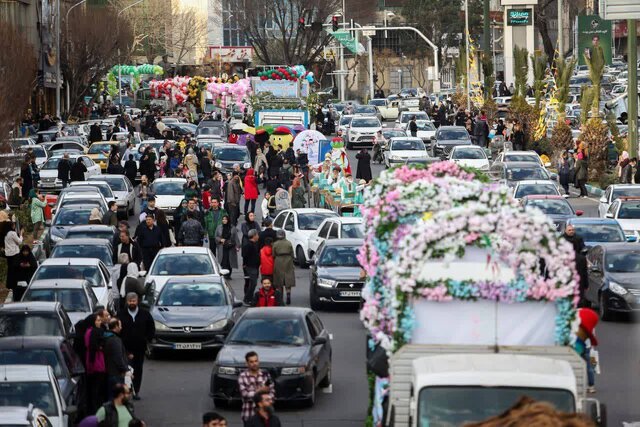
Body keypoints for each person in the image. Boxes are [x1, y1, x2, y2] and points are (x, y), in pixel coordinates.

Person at [117, 293, 155, 400]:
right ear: (127, 302)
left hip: (140, 349)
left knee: (138, 370)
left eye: (134, 301)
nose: (132, 303)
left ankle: (135, 391)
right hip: (125, 349)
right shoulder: (121, 314)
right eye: (130, 301)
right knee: (127, 370)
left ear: (137, 301)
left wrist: (147, 339)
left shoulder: (145, 314)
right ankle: (126, 391)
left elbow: (151, 328)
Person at [238, 352, 275, 425]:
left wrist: (267, 399)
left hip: (265, 414)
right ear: (247, 363)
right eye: (251, 362)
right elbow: (245, 395)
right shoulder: (242, 376)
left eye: (256, 361)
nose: (254, 363)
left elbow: (272, 392)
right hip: (249, 414)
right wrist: (260, 391)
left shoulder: (266, 375)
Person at [85, 313, 107, 415]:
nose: (99, 322)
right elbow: (93, 345)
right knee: (96, 388)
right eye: (97, 320)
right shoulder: (93, 332)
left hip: (94, 361)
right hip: (96, 362)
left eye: (99, 320)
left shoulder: (90, 331)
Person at [574, 308, 599, 393]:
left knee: (575, 364)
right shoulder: (589, 319)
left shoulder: (576, 315)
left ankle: (577, 384)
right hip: (588, 346)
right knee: (590, 367)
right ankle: (591, 386)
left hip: (579, 345)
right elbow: (592, 334)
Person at [563, 224, 588, 305]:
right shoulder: (561, 239)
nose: (571, 232)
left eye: (572, 230)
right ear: (565, 230)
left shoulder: (578, 238)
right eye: (569, 230)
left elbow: (584, 273)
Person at [104, 318, 129, 397]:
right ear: (116, 326)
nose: (121, 327)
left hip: (110, 372)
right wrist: (126, 369)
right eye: (120, 325)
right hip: (116, 373)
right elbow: (118, 357)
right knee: (116, 397)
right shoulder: (115, 340)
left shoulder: (107, 337)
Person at [272, 229, 295, 305]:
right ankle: (288, 294)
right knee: (288, 279)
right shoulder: (289, 243)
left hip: (278, 261)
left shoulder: (275, 244)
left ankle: (280, 298)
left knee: (279, 280)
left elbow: (273, 254)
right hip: (288, 260)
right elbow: (292, 253)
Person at [242, 229, 261, 304]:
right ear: (254, 236)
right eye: (257, 235)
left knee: (253, 283)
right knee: (253, 283)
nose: (258, 236)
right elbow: (245, 256)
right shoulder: (249, 245)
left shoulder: (254, 244)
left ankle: (249, 297)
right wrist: (245, 264)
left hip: (254, 266)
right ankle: (247, 298)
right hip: (251, 267)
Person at [4, 222, 23, 295]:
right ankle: (14, 285)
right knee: (15, 270)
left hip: (8, 254)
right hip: (14, 253)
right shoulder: (12, 233)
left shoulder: (5, 233)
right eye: (14, 224)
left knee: (10, 270)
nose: (15, 226)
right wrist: (21, 234)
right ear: (11, 225)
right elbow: (19, 242)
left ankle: (9, 286)